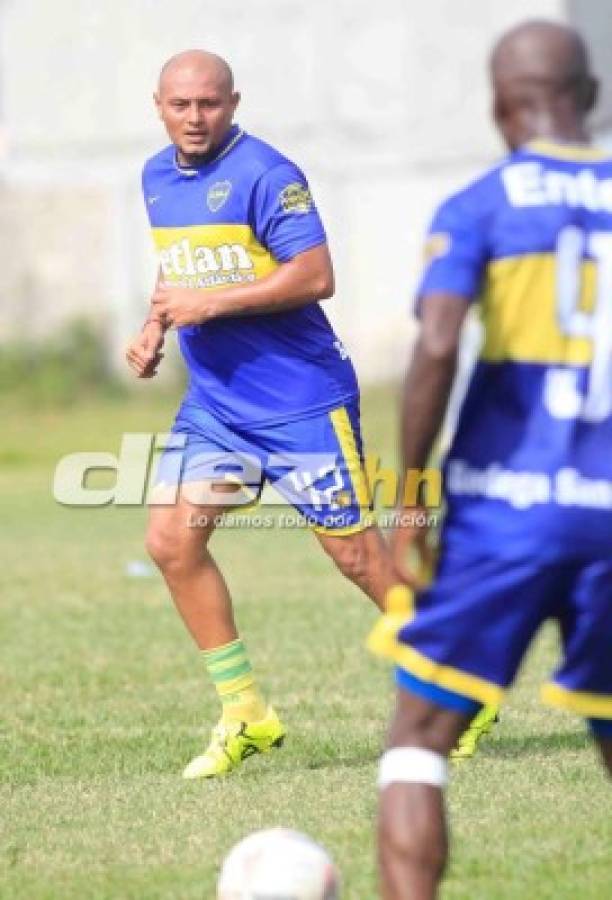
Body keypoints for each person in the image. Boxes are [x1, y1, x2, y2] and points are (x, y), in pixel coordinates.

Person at [371, 20, 612, 899]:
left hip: (504, 509)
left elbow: (437, 346)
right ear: (588, 96)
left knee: (419, 736)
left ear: (499, 107)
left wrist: (409, 498)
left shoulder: (481, 205)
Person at [126, 50, 397, 779]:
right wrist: (157, 325)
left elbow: (316, 276)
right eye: (180, 104)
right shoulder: (155, 177)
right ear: (158, 105)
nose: (194, 117)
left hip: (301, 400)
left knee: (355, 556)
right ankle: (246, 712)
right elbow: (180, 266)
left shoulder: (269, 175)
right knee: (170, 541)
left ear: (233, 102)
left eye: (209, 104)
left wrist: (207, 305)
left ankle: (457, 686)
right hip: (217, 405)